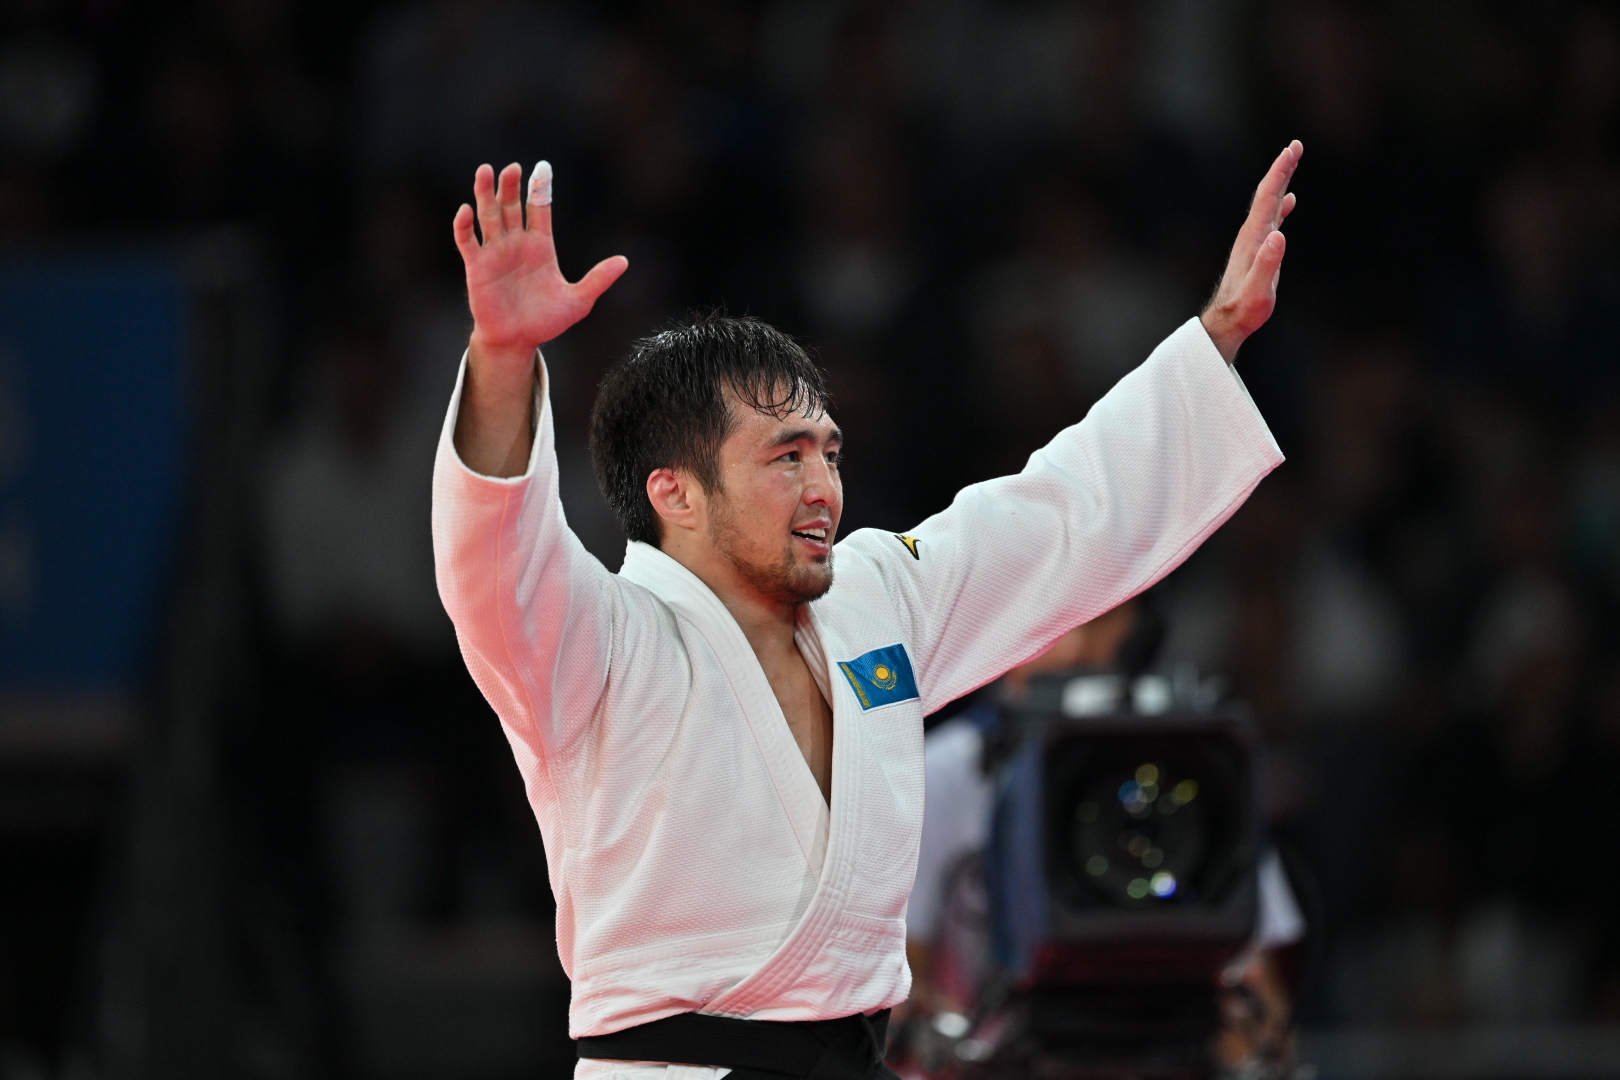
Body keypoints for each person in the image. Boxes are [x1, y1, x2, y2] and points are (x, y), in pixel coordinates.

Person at [432, 143, 1301, 1078]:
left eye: (829, 453)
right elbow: (497, 560)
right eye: (786, 457)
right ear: (675, 492)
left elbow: (1056, 513)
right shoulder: (600, 640)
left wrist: (1216, 337)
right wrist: (504, 359)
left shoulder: (872, 597)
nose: (824, 489)